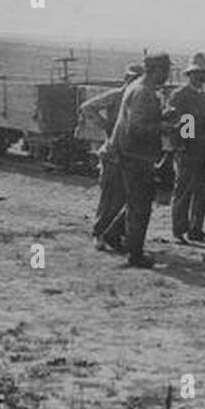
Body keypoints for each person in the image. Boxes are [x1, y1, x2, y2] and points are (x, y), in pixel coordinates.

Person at [99, 53, 173, 268]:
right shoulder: (143, 92)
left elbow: (141, 120)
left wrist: (162, 117)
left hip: (135, 154)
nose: (167, 76)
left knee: (140, 199)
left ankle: (113, 234)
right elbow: (137, 128)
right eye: (165, 70)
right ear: (155, 70)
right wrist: (165, 127)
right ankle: (135, 254)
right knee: (140, 204)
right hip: (134, 155)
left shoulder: (142, 88)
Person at [80, 62, 144, 247]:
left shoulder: (140, 99)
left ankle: (115, 235)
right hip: (113, 155)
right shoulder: (116, 96)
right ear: (126, 79)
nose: (134, 82)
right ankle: (99, 233)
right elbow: (87, 107)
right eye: (132, 78)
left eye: (137, 79)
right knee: (110, 197)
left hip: (131, 157)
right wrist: (106, 126)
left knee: (127, 198)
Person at [166, 53, 205, 243]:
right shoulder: (180, 96)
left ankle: (196, 230)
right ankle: (179, 231)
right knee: (184, 191)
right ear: (189, 75)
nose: (201, 78)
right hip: (189, 151)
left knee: (203, 192)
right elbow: (180, 126)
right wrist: (182, 147)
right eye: (197, 74)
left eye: (203, 74)